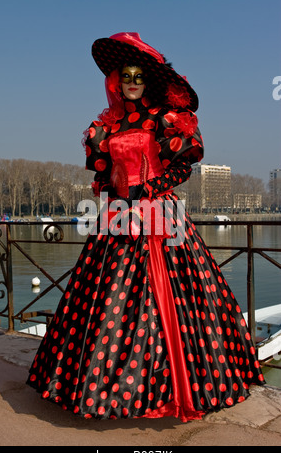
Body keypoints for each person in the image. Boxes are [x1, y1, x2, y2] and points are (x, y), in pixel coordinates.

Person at [27, 32, 265, 422]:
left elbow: (182, 164)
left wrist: (149, 188)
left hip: (159, 214)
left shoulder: (162, 118)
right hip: (119, 218)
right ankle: (107, 388)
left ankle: (184, 386)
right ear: (117, 82)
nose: (132, 81)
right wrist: (111, 194)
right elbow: (104, 171)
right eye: (126, 76)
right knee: (109, 298)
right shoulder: (107, 124)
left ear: (147, 80)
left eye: (139, 75)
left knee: (173, 294)